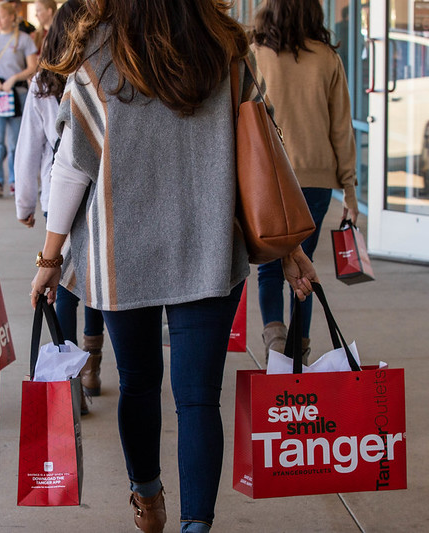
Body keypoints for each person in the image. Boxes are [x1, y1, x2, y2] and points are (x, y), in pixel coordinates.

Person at [29, 1, 318, 532]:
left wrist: (50, 258)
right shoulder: (224, 44)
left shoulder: (99, 51)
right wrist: (292, 249)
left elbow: (73, 164)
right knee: (198, 399)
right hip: (209, 245)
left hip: (121, 251)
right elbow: (265, 145)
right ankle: (196, 526)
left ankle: (148, 495)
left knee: (138, 381)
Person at [251, 0, 358, 363]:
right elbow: (341, 130)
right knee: (304, 267)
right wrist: (351, 191)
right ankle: (300, 350)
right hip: (315, 178)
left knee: (269, 268)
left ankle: (275, 342)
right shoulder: (328, 58)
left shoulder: (256, 54)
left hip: (270, 177)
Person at [14, 0, 103, 415]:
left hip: (60, 199)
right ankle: (92, 366)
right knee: (100, 283)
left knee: (64, 287)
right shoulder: (102, 72)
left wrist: (25, 202)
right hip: (102, 196)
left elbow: (29, 148)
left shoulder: (43, 84)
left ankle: (72, 380)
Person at [0, 1, 38, 198]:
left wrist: (14, 78)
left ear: (12, 17)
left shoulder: (24, 39)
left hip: (17, 94)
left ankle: (15, 180)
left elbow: (32, 67)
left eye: (2, 17)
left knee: (15, 141)